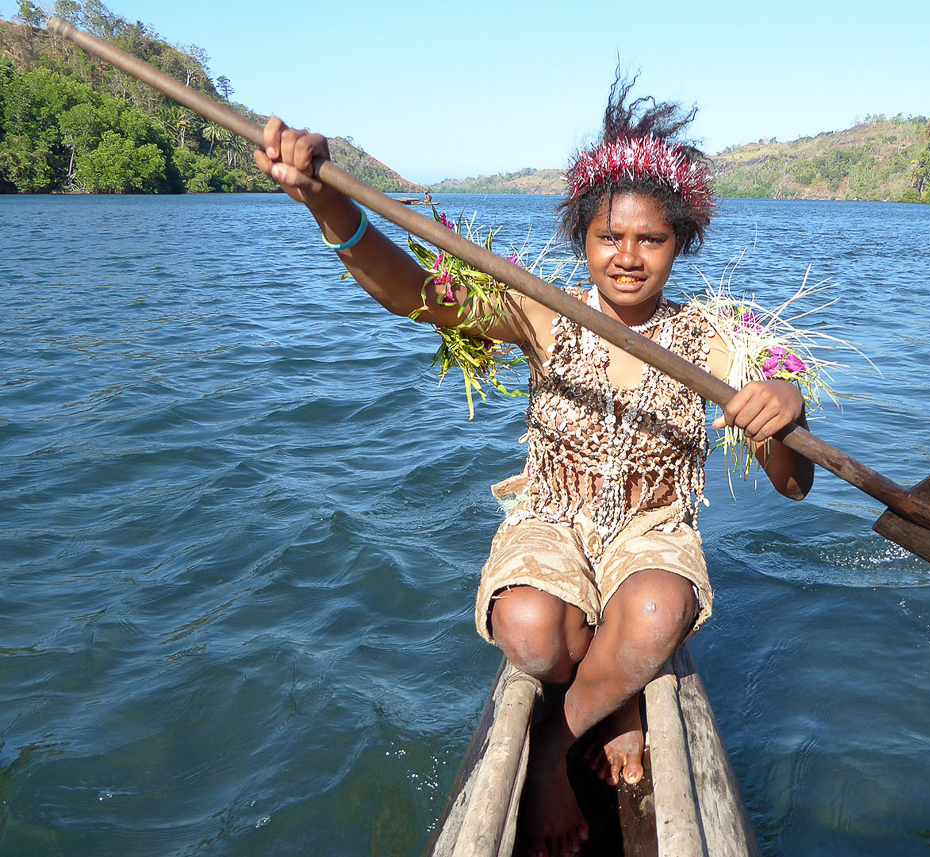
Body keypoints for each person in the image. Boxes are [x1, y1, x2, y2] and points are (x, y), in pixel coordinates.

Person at [253, 73, 815, 857]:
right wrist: (325, 201)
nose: (625, 258)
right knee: (527, 628)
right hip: (552, 512)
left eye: (649, 239)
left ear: (679, 243)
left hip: (650, 528)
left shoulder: (723, 343)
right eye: (606, 238)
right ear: (580, 238)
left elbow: (793, 485)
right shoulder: (540, 309)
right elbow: (416, 295)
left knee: (654, 616)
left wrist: (782, 409)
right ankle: (613, 696)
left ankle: (554, 747)